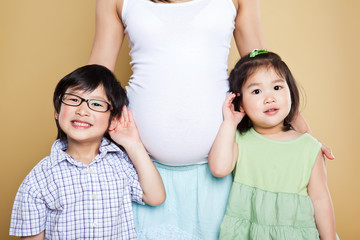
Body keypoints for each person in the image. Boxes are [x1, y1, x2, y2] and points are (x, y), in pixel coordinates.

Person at [87, 0, 333, 239]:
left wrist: (305, 136)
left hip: (220, 175)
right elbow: (95, 78)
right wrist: (75, 150)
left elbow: (264, 68)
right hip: (139, 168)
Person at [9, 65, 165, 240]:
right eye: (74, 100)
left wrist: (133, 143)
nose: (82, 110)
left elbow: (155, 197)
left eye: (97, 104)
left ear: (112, 118)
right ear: (57, 111)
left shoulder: (120, 163)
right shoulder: (39, 178)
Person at [208, 50, 338, 240]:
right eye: (256, 91)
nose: (269, 98)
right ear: (241, 103)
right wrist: (229, 123)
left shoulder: (309, 147)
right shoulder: (239, 139)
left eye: (277, 88)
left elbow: (320, 199)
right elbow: (219, 169)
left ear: (290, 92)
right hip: (248, 233)